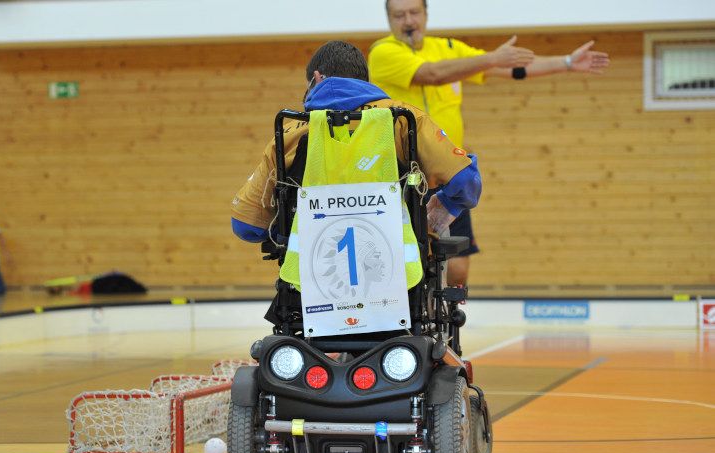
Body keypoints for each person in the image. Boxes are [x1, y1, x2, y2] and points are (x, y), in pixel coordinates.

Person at [369, 0, 610, 286]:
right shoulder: (383, 52)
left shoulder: (448, 48)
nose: (408, 21)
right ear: (389, 20)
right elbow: (433, 74)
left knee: (458, 267)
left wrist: (566, 63)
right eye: (399, 15)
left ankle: (449, 323)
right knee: (411, 259)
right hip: (407, 173)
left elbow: (508, 68)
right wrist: (491, 58)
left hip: (449, 175)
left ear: (425, 15)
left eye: (414, 13)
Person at [230, 40, 482, 268]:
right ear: (365, 81)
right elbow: (465, 181)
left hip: (312, 272)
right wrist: (446, 205)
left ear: (317, 79)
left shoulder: (288, 133)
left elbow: (247, 226)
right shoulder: (405, 119)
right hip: (401, 270)